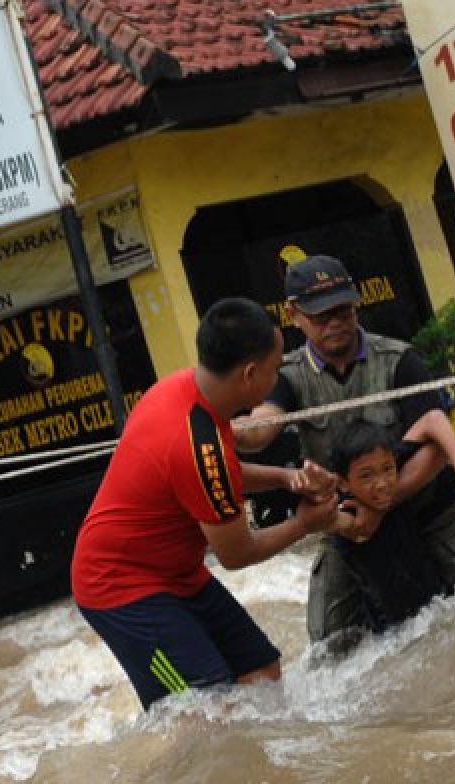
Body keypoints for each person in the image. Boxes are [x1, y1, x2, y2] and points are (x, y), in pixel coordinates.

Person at [71, 297, 343, 711]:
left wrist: (287, 478)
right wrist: (307, 524)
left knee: (261, 670)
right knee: (206, 707)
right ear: (250, 374)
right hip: (119, 588)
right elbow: (236, 553)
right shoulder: (196, 445)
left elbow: (212, 474)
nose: (278, 377)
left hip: (175, 572)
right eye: (275, 368)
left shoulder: (182, 390)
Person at [235, 255, 455, 644]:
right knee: (329, 649)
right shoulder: (288, 376)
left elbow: (436, 446)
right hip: (348, 528)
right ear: (294, 315)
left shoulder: (400, 359)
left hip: (427, 515)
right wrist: (230, 432)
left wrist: (381, 503)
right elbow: (263, 426)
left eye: (343, 311)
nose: (336, 323)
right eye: (321, 315)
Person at [322, 412, 455, 636]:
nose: (381, 484)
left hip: (440, 607)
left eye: (387, 470)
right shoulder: (349, 514)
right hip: (393, 633)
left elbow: (434, 420)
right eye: (366, 476)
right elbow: (326, 520)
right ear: (343, 484)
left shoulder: (392, 470)